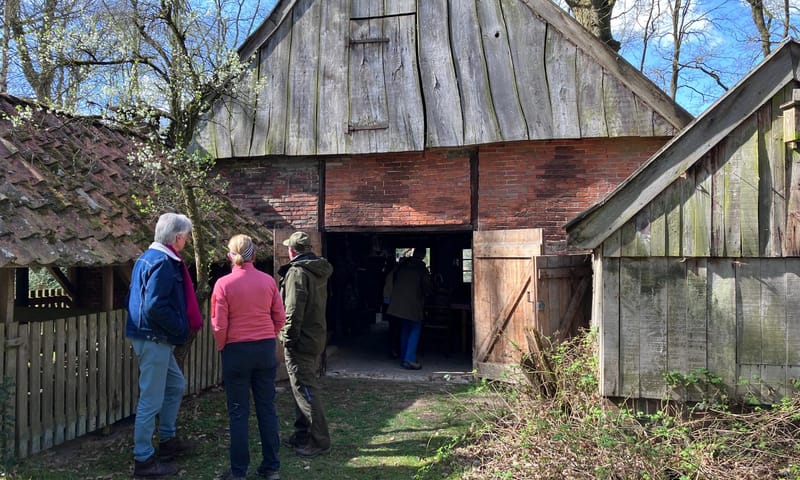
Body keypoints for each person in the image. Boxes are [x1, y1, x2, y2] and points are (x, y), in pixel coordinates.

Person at [127, 212, 201, 478]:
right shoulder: (163, 262)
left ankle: (168, 441)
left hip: (150, 335)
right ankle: (144, 460)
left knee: (175, 385)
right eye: (187, 236)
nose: (187, 241)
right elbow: (154, 306)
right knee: (151, 399)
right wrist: (180, 327)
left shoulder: (147, 257)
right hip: (154, 337)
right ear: (177, 237)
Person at [211, 234, 285, 480]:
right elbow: (280, 317)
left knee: (238, 411)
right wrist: (268, 335)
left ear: (229, 256)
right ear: (254, 254)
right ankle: (271, 467)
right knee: (267, 408)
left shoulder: (223, 284)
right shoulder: (268, 281)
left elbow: (219, 325)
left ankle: (238, 471)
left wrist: (223, 346)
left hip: (236, 350)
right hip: (264, 348)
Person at [278, 231, 334, 457]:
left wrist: (287, 338)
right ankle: (302, 434)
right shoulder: (317, 270)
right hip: (315, 335)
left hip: (301, 339)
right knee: (300, 387)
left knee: (305, 389)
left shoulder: (298, 273)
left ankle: (319, 441)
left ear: (292, 250)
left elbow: (293, 311)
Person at [385, 248, 433, 370]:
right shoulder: (421, 268)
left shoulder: (402, 265)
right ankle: (410, 359)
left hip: (398, 302)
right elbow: (426, 286)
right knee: (415, 328)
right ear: (422, 255)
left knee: (405, 328)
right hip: (412, 302)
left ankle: (404, 357)